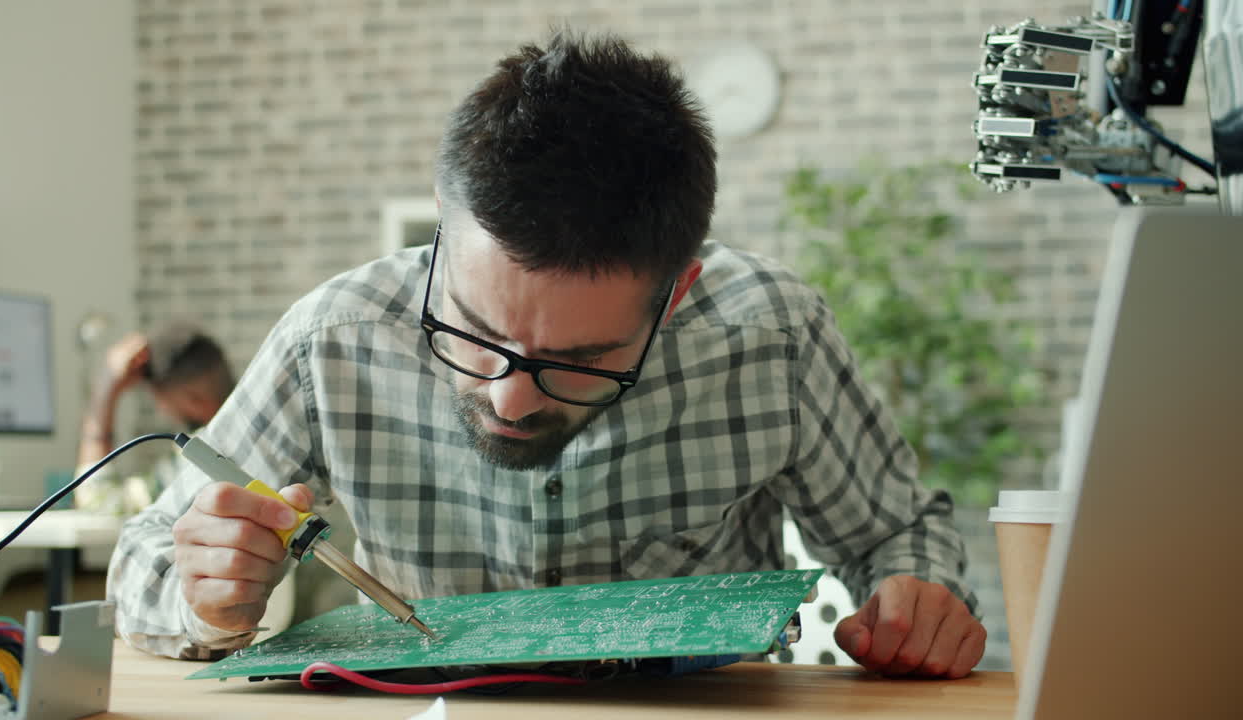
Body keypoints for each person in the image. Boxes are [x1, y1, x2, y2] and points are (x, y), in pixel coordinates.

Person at [108, 30, 987, 677]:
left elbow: (900, 535)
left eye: (579, 360)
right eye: (472, 333)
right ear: (443, 244)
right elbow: (144, 554)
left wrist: (916, 598)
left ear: (676, 296)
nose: (509, 399)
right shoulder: (333, 340)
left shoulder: (771, 337)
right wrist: (205, 594)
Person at [75, 324, 233, 512]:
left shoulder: (203, 454)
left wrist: (105, 390)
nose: (160, 408)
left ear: (193, 398)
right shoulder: (248, 429)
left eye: (160, 398)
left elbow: (99, 500)